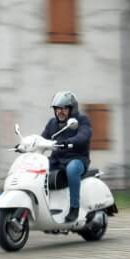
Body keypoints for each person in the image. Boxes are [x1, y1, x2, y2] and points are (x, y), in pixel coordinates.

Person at [41, 91, 92, 222]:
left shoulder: (81, 121)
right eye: (57, 109)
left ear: (72, 109)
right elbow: (42, 138)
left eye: (63, 108)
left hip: (77, 159)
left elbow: (84, 135)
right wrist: (29, 144)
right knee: (38, 167)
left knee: (72, 169)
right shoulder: (52, 123)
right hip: (57, 160)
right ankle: (44, 206)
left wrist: (69, 142)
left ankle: (74, 208)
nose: (60, 112)